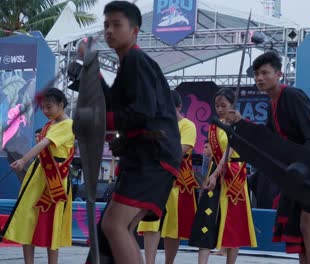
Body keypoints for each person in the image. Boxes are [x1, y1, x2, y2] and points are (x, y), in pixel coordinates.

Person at [88, 2, 181, 263]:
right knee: (117, 228)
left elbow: (142, 112)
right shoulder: (127, 64)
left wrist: (102, 121)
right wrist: (90, 70)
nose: (109, 31)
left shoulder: (137, 60)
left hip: (154, 158)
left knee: (114, 225)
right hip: (145, 157)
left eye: (117, 24)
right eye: (106, 25)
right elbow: (112, 104)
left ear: (135, 30)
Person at [226, 51, 310, 264]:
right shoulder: (272, 103)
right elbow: (267, 138)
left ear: (279, 74)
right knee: (299, 228)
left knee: (308, 224)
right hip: (297, 173)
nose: (259, 78)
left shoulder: (292, 96)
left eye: (265, 73)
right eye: (256, 74)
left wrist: (308, 170)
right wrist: (240, 122)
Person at [2, 88, 74, 264]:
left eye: (48, 107)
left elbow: (45, 143)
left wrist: (23, 160)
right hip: (37, 176)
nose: (45, 111)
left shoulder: (68, 124)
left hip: (55, 178)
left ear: (61, 104)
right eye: (42, 107)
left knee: (52, 225)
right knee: (27, 219)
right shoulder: (50, 124)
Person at [189, 88, 257, 264]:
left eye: (224, 105)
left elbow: (228, 152)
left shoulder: (239, 125)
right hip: (215, 173)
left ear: (232, 105)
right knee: (206, 217)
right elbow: (212, 154)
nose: (220, 109)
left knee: (234, 223)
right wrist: (206, 177)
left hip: (234, 177)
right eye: (217, 105)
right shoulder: (215, 125)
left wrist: (215, 175)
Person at [137, 90, 198, 264]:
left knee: (173, 228)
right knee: (151, 224)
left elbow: (180, 150)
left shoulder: (188, 125)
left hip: (177, 182)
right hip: (154, 180)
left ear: (179, 107)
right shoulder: (155, 125)